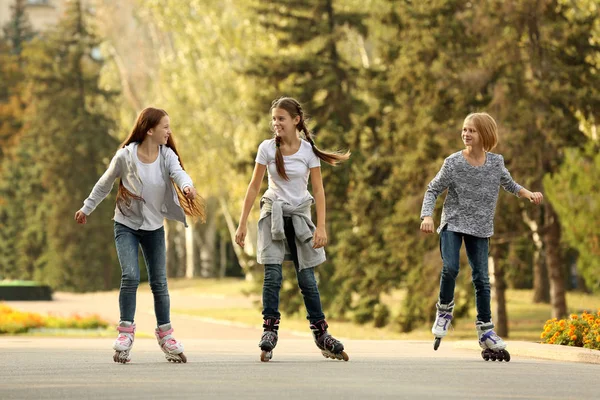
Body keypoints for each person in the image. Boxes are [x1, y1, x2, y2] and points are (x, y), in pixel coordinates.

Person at [74, 107, 205, 364]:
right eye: (165, 127)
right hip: (126, 225)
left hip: (154, 227)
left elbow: (179, 172)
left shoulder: (166, 155)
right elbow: (105, 183)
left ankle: (166, 336)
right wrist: (86, 208)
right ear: (150, 130)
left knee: (159, 282)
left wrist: (187, 186)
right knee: (131, 275)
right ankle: (125, 333)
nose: (169, 132)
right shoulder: (125, 156)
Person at [420, 112, 543, 360]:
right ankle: (444, 312)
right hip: (453, 223)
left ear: (484, 134)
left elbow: (509, 184)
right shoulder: (453, 162)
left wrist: (528, 193)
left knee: (482, 279)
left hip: (480, 227)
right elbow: (433, 188)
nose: (465, 134)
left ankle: (486, 330)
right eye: (464, 129)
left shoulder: (496, 163)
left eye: (471, 130)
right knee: (451, 268)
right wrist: (427, 216)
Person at [235, 97, 350, 362]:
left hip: (299, 216)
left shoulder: (308, 150)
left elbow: (318, 190)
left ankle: (321, 334)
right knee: (272, 275)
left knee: (307, 279)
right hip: (272, 213)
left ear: (296, 120)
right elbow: (254, 186)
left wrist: (321, 226)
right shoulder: (266, 148)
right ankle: (269, 331)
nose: (276, 123)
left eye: (281, 119)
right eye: (274, 119)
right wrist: (242, 223)